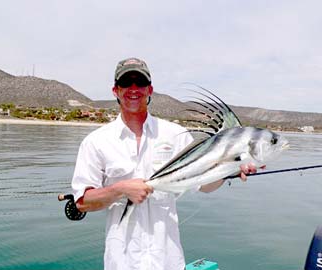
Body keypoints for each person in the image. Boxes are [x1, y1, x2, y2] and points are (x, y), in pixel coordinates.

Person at [71, 57, 256, 270]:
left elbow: (204, 185)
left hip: (169, 262)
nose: (133, 89)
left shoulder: (175, 134)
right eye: (125, 83)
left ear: (150, 90)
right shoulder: (96, 141)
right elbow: (82, 202)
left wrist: (229, 168)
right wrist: (120, 189)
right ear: (115, 90)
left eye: (139, 83)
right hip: (121, 263)